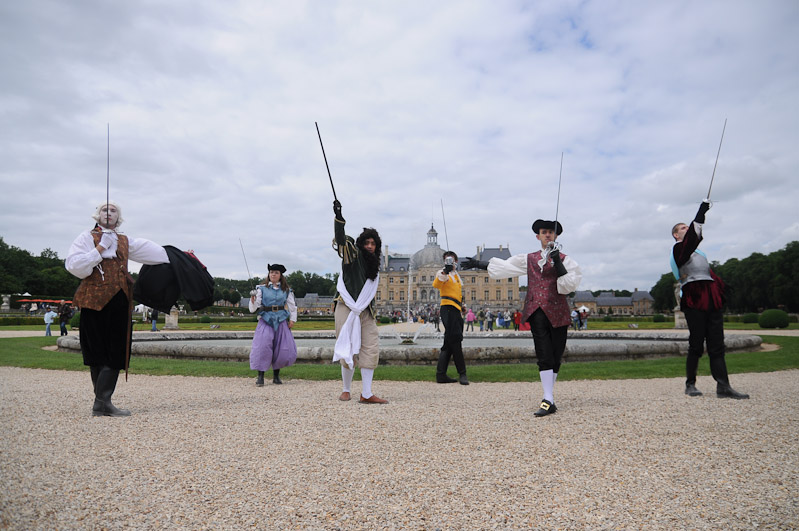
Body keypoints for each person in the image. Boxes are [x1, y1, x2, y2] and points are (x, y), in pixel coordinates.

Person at [463, 219, 582, 417]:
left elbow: (569, 286)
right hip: (536, 309)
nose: (547, 235)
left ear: (556, 236)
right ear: (538, 236)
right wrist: (479, 264)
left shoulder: (566, 260)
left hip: (558, 310)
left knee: (555, 353)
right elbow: (506, 267)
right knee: (543, 353)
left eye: (550, 232)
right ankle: (547, 399)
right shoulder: (529, 258)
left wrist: (558, 262)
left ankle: (549, 396)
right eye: (543, 232)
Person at [66, 201, 170, 417]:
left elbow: (157, 253)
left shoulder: (125, 240)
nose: (109, 212)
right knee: (95, 352)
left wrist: (181, 255)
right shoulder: (86, 237)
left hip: (120, 301)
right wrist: (100, 248)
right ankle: (102, 402)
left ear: (118, 218)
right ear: (97, 215)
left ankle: (102, 402)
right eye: (105, 209)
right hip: (93, 300)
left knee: (116, 351)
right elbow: (75, 267)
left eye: (113, 210)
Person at [671, 200, 749, 399]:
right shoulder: (679, 250)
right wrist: (700, 214)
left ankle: (723, 385)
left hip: (710, 296)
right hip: (694, 298)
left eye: (687, 227)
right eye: (682, 228)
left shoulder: (699, 254)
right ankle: (690, 384)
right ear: (676, 235)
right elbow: (691, 240)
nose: (686, 229)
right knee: (696, 344)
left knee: (717, 344)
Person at [331, 200, 387, 404]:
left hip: (366, 310)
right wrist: (339, 219)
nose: (370, 247)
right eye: (367, 243)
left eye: (373, 244)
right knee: (346, 345)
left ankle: (366, 393)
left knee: (370, 348)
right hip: (347, 306)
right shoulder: (352, 256)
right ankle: (346, 389)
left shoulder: (375, 266)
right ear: (361, 244)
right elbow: (341, 241)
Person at [248, 263, 298, 386]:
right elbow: (253, 309)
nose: (273, 274)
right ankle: (260, 377)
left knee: (280, 348)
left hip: (281, 320)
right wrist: (252, 301)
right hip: (266, 319)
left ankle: (276, 376)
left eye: (276, 273)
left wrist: (292, 319)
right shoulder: (261, 289)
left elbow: (292, 306)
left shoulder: (286, 290)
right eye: (271, 272)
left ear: (280, 275)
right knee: (262, 347)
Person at [432, 251, 469, 385]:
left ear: (456, 262)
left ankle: (440, 375)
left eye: (451, 260)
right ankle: (462, 373)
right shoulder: (443, 273)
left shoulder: (456, 276)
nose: (449, 262)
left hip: (456, 308)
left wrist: (462, 305)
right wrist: (444, 272)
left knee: (448, 343)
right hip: (447, 308)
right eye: (447, 260)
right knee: (456, 339)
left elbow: (458, 293)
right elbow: (436, 284)